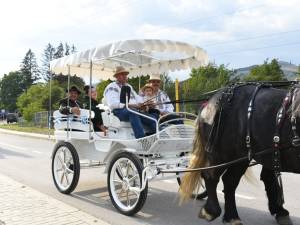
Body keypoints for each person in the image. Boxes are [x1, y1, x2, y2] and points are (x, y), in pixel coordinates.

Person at [104, 66, 157, 138]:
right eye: (122, 74)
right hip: (118, 112)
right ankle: (141, 138)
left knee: (153, 118)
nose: (125, 76)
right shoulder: (111, 87)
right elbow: (113, 104)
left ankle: (156, 137)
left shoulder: (129, 86)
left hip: (133, 110)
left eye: (125, 74)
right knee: (132, 112)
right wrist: (133, 106)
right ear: (117, 76)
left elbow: (138, 98)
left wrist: (146, 103)